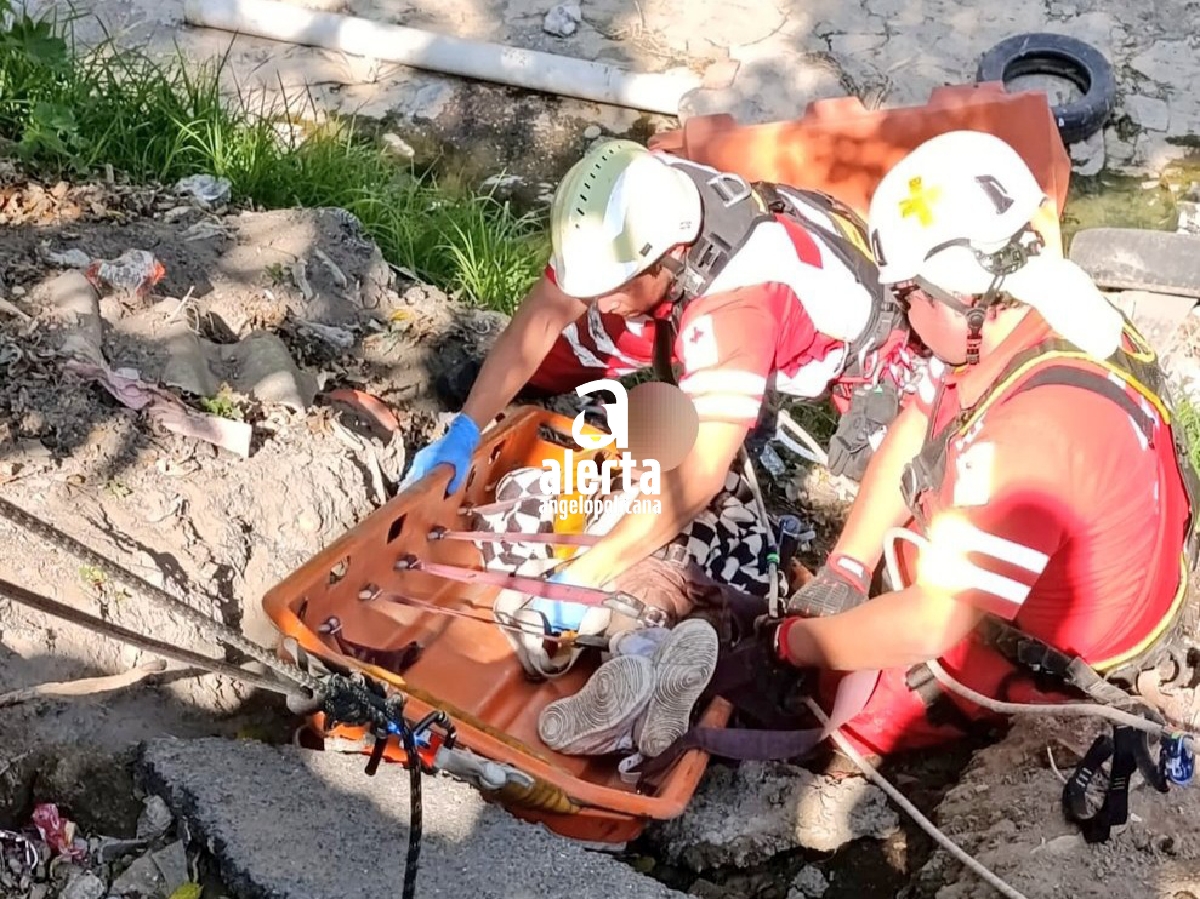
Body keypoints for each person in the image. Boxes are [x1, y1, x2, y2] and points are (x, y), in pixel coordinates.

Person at [765, 130, 1200, 780]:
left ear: (966, 296)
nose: (906, 315)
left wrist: (795, 642)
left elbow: (932, 621)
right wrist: (847, 568)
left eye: (911, 294)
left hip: (1058, 659)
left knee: (832, 716)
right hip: (1074, 571)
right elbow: (921, 415)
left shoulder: (1033, 438)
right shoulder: (1051, 310)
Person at [403, 139, 920, 623]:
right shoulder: (627, 210)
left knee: (907, 486)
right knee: (568, 348)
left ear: (666, 259)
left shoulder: (733, 306)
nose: (597, 303)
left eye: (609, 289)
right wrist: (467, 429)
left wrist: (580, 580)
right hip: (702, 294)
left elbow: (698, 474)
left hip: (863, 347)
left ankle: (853, 580)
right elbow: (544, 312)